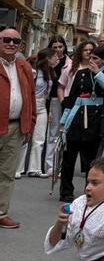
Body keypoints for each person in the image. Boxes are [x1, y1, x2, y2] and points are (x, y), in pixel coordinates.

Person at [59, 40, 104, 203]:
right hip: (77, 115)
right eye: (91, 58)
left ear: (103, 60)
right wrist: (64, 121)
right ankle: (66, 191)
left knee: (91, 159)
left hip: (96, 118)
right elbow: (72, 97)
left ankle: (89, 191)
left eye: (95, 58)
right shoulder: (82, 73)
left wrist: (97, 73)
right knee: (69, 155)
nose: (92, 61)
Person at [0, 26, 35, 228]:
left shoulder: (23, 67)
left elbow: (30, 96)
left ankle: (1, 212)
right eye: (6, 40)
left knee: (7, 173)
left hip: (15, 128)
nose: (11, 44)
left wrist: (30, 123)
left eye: (16, 41)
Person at [21, 48, 56, 177]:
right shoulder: (34, 71)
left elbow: (48, 94)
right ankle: (18, 169)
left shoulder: (50, 72)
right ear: (47, 58)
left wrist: (49, 110)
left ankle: (34, 169)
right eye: (54, 56)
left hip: (42, 106)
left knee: (40, 138)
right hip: (31, 104)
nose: (57, 59)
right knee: (25, 136)